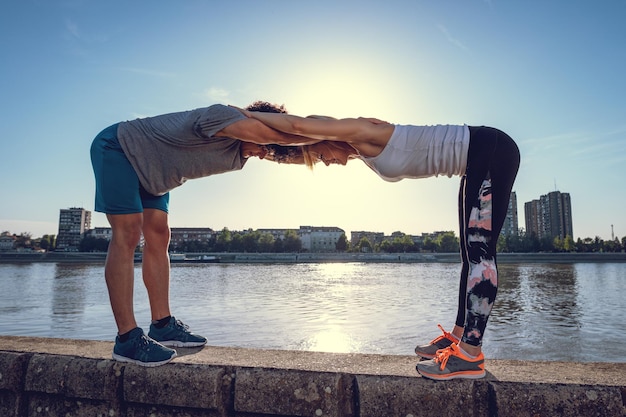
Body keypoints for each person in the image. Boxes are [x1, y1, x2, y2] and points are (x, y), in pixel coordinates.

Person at [235, 107, 520, 380]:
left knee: (479, 253)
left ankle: (470, 355)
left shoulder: (362, 130)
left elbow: (297, 126)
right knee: (468, 256)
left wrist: (241, 115)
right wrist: (266, 151)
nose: (326, 162)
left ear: (325, 137)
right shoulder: (361, 151)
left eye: (320, 154)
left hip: (492, 149)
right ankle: (457, 340)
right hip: (476, 158)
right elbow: (295, 144)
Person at [90, 102, 318, 367]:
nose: (261, 153)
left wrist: (356, 148)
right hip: (122, 148)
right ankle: (127, 337)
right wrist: (341, 131)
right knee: (128, 232)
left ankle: (162, 325)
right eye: (263, 145)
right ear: (258, 125)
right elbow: (279, 134)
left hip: (155, 173)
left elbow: (290, 153)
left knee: (160, 235)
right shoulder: (222, 116)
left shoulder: (243, 147)